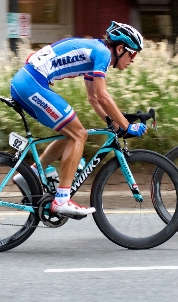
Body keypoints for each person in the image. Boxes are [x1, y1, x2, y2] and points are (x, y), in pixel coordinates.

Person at [10, 21, 147, 217]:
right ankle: (62, 200)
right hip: (32, 84)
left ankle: (32, 174)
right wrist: (127, 126)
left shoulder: (96, 52)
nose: (132, 60)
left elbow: (93, 98)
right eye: (132, 54)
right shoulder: (103, 53)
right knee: (79, 135)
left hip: (26, 82)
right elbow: (103, 96)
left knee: (71, 132)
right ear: (119, 48)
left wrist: (116, 126)